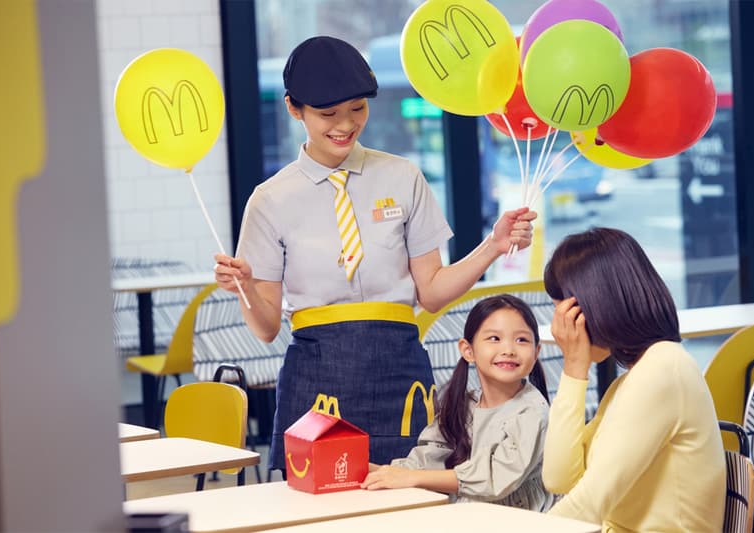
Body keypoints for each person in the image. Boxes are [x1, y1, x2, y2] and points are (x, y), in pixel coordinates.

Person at [213, 35, 537, 473]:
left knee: (409, 495)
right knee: (318, 508)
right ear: (294, 108)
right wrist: (245, 287)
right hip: (316, 375)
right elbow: (268, 327)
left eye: (357, 109)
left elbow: (433, 292)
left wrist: (493, 245)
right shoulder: (270, 200)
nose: (345, 124)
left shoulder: (403, 177)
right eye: (328, 114)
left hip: (398, 368)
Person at [542, 227, 726, 531]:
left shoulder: (663, 369)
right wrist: (574, 367)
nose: (558, 327)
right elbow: (559, 478)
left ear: (591, 306)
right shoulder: (632, 380)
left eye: (561, 311)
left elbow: (588, 505)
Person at [361, 295, 555, 511]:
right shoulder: (466, 404)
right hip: (467, 514)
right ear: (468, 350)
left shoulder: (533, 411)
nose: (509, 349)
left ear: (536, 352)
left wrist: (411, 477)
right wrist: (379, 471)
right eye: (494, 338)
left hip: (519, 520)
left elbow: (495, 479)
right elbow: (430, 455)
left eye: (522, 340)